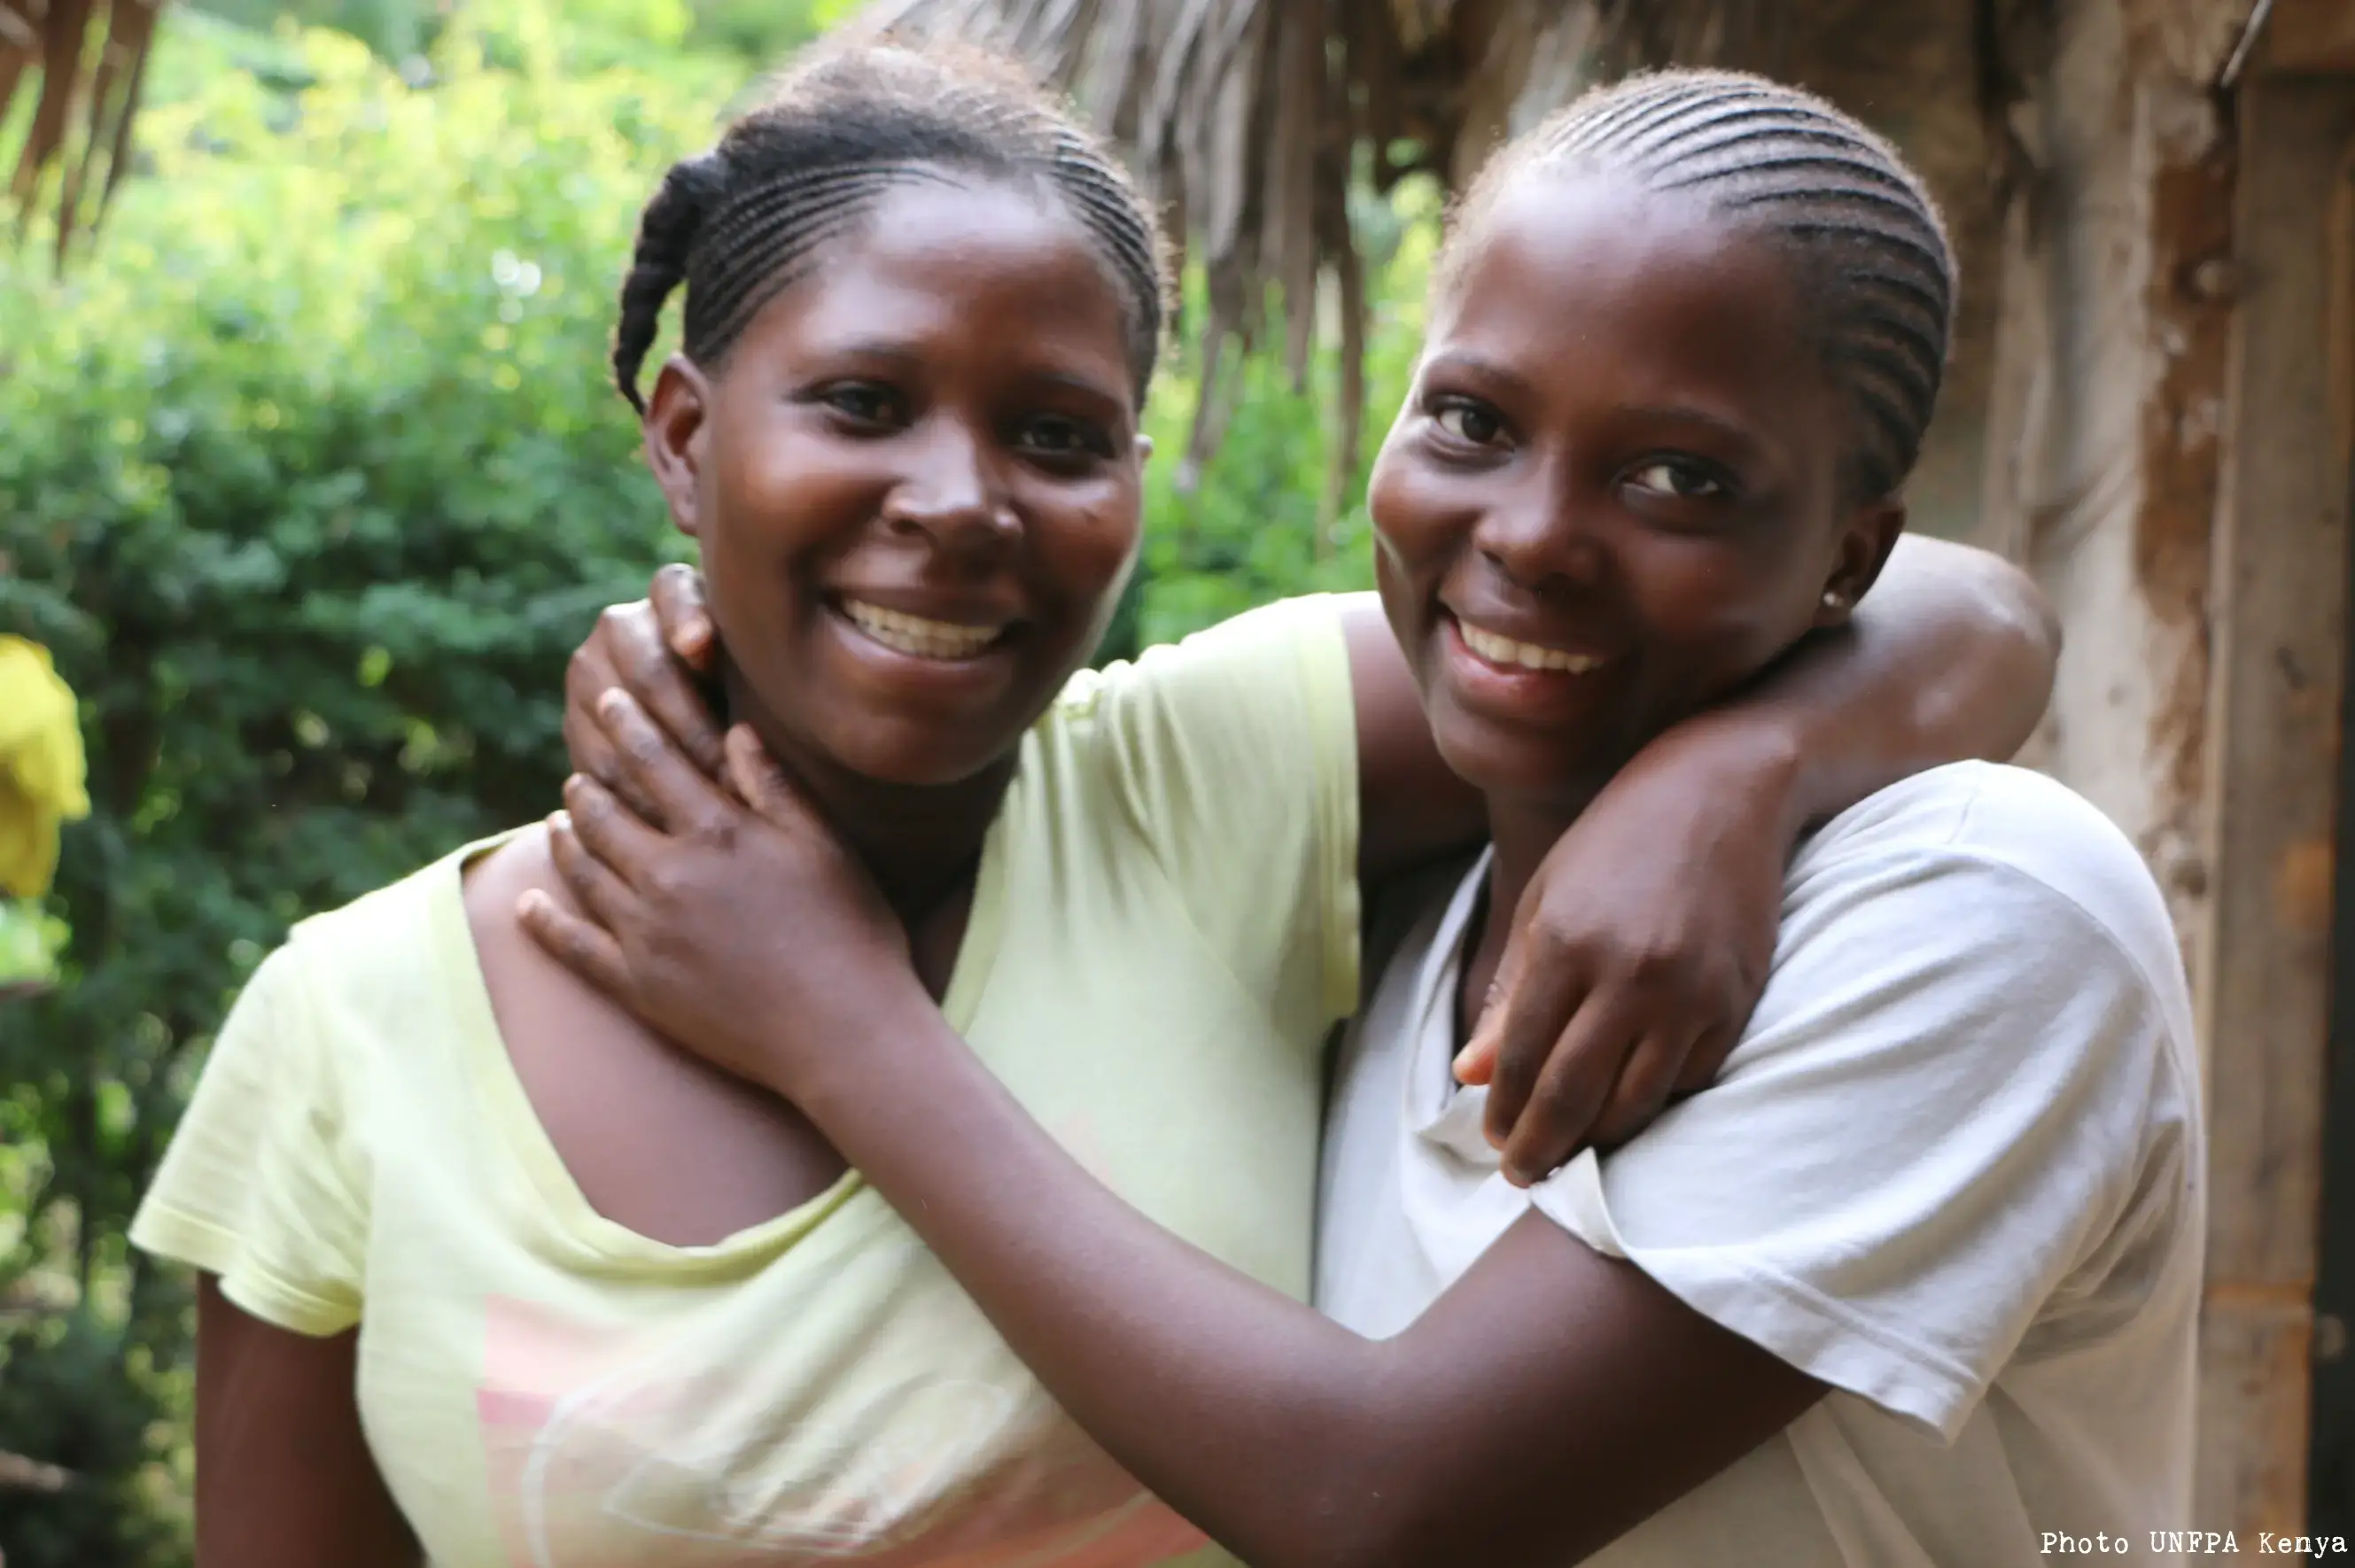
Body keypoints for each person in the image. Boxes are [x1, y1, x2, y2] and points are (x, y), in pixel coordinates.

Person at [130, 43, 2054, 1568]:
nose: (962, 500)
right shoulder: (355, 1020)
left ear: (1135, 480)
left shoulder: (1223, 774)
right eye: (864, 402)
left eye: (1056, 436)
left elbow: (1970, 602)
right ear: (688, 437)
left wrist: (1742, 768)